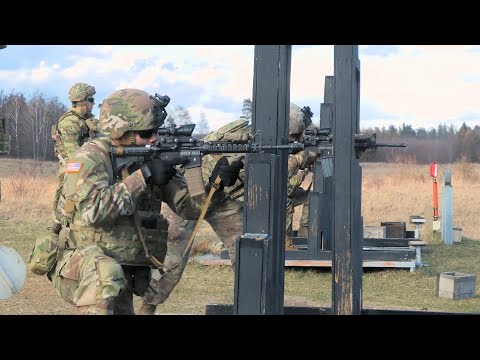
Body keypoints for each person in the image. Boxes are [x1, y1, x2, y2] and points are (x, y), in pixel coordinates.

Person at [50, 88, 240, 315]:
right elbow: (92, 212)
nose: (154, 138)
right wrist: (144, 176)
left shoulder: (149, 157)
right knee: (104, 275)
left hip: (122, 264)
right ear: (122, 130)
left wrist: (216, 185)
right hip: (81, 262)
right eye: (146, 133)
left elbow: (188, 208)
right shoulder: (90, 157)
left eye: (155, 131)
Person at [138, 102, 316, 314]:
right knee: (171, 262)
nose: (295, 140)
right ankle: (146, 307)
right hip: (190, 192)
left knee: (248, 252)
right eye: (293, 135)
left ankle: (251, 304)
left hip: (221, 197)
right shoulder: (241, 136)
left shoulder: (270, 142)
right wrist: (301, 158)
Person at [50, 82, 99, 233]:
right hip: (73, 170)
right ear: (82, 101)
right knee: (65, 209)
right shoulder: (70, 122)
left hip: (83, 168)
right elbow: (74, 156)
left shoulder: (86, 120)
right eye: (91, 100)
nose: (93, 103)